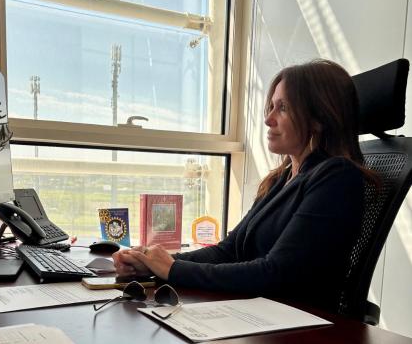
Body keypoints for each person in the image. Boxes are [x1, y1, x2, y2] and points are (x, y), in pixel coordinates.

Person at [113, 59, 372, 313]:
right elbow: (228, 250)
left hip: (295, 325)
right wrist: (153, 263)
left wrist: (172, 269)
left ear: (318, 119)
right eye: (271, 106)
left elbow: (276, 273)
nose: (268, 119)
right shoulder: (281, 179)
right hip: (256, 312)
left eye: (283, 108)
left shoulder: (337, 178)